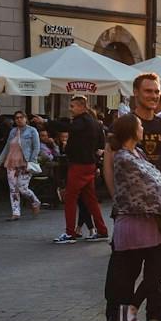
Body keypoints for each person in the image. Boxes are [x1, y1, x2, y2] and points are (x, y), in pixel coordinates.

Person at [104, 113, 161, 321]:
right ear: (132, 131)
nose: (143, 129)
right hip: (134, 222)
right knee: (130, 274)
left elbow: (154, 181)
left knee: (158, 268)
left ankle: (130, 313)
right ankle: (127, 316)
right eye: (140, 126)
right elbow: (150, 186)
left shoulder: (137, 153)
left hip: (146, 222)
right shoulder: (124, 157)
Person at [54, 94, 107, 244]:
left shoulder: (81, 122)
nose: (70, 109)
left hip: (79, 164)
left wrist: (47, 122)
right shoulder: (96, 123)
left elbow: (68, 128)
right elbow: (101, 145)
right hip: (90, 164)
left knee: (70, 198)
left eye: (72, 106)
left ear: (82, 106)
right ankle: (102, 230)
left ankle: (70, 233)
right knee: (91, 199)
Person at [0, 110, 45, 220]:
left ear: (25, 119)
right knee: (13, 189)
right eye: (16, 118)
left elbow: (36, 147)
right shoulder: (13, 131)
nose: (19, 119)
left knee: (22, 187)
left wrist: (32, 160)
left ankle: (35, 201)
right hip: (11, 162)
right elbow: (7, 147)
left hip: (25, 162)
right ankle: (16, 212)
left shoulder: (32, 131)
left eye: (21, 117)